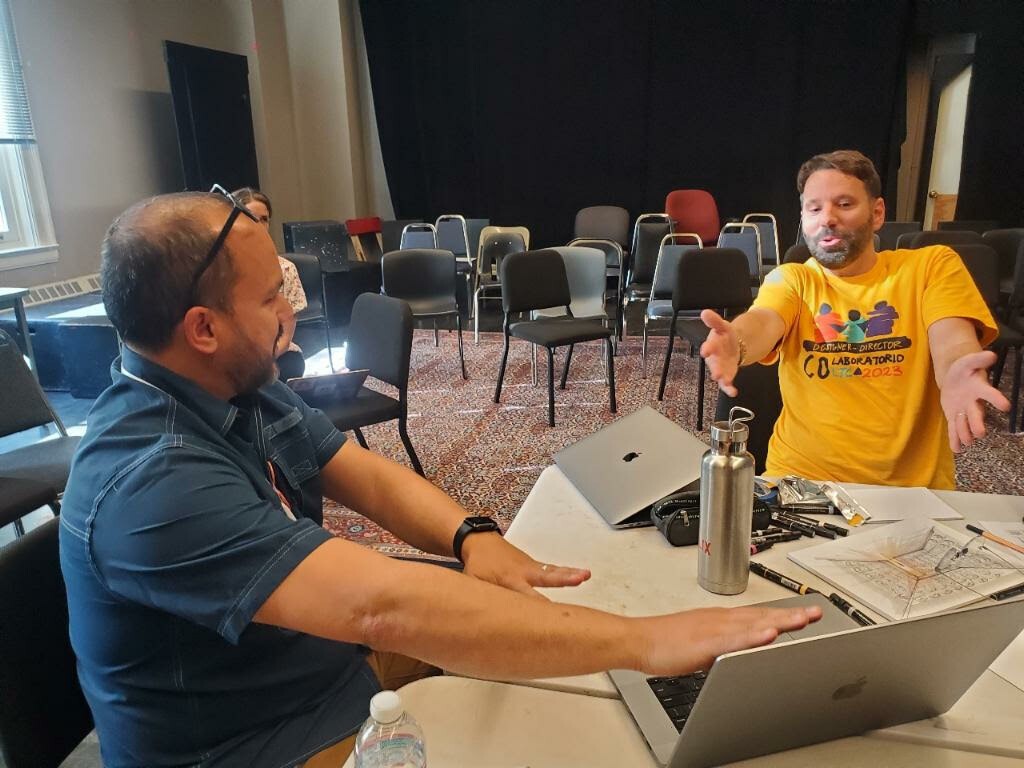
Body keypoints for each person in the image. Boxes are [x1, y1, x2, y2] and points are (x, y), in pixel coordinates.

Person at [59, 190, 820, 768]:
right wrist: (642, 644)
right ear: (202, 328)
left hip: (317, 675)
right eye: (268, 300)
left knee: (546, 653)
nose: (289, 315)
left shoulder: (231, 385)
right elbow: (380, 607)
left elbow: (368, 478)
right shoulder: (149, 483)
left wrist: (471, 537)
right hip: (261, 744)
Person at [700, 149, 1008, 489]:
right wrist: (738, 342)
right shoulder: (793, 280)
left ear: (876, 213)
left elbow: (953, 340)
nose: (827, 218)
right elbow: (763, 321)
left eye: (844, 204)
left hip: (911, 490)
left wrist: (955, 371)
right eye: (814, 208)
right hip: (800, 481)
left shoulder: (931, 267)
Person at [233, 186, 307, 381]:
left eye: (264, 219)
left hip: (276, 351)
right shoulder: (219, 269)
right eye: (250, 216)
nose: (258, 223)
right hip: (231, 351)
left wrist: (265, 361)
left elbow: (287, 331)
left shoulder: (286, 269)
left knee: (290, 364)